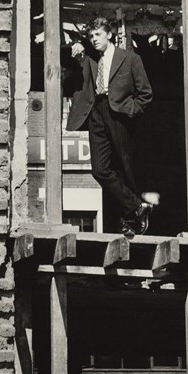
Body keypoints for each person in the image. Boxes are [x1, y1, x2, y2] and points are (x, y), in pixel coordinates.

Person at [66, 17, 156, 235]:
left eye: (98, 35)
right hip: (96, 112)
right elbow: (61, 61)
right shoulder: (89, 59)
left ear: (110, 34)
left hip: (120, 115)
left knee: (124, 168)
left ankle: (128, 222)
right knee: (100, 170)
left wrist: (130, 109)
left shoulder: (130, 59)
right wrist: (73, 45)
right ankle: (136, 206)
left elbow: (146, 94)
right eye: (91, 36)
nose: (94, 40)